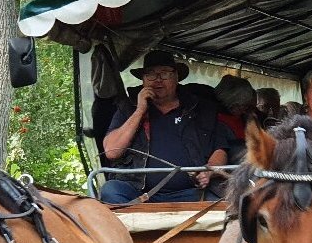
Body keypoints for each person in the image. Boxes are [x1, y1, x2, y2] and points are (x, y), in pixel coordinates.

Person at [99, 50, 233, 204]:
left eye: (164, 74)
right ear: (143, 80)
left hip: (193, 192)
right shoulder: (128, 108)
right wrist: (140, 111)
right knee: (110, 190)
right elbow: (111, 152)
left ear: (176, 77)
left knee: (231, 200)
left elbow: (220, 149)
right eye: (150, 74)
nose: (157, 80)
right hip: (140, 194)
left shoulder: (202, 108)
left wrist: (208, 171)